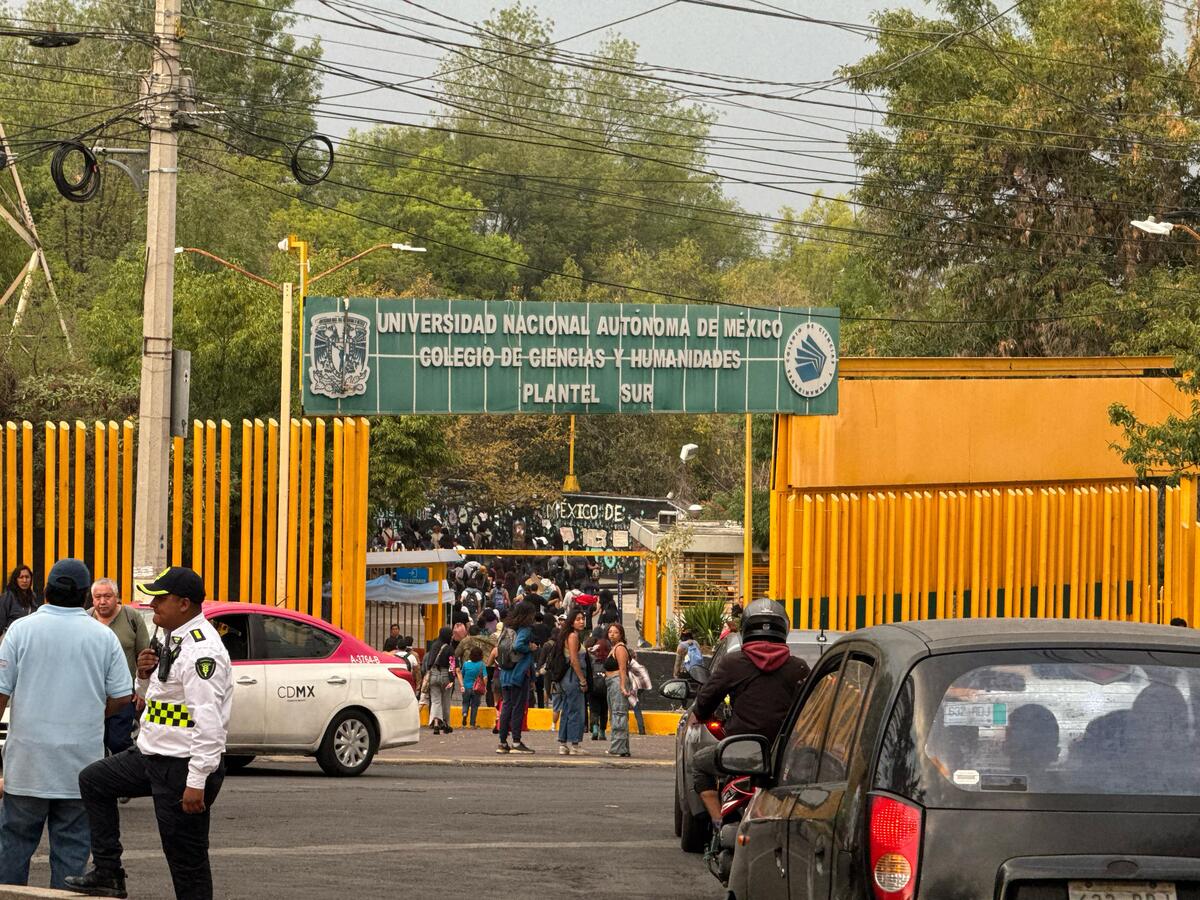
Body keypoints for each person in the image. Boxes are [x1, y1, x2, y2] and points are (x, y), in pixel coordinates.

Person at [68, 566, 232, 900]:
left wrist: (196, 781)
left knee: (186, 862)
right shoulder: (171, 636)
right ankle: (109, 873)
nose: (152, 604)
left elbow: (209, 724)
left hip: (182, 764)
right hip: (152, 754)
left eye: (160, 598)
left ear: (184, 603)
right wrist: (143, 676)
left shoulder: (201, 651)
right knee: (94, 781)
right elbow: (153, 699)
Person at [0, 559, 130, 890]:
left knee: (12, 850)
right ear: (86, 595)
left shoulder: (20, 630)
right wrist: (93, 714)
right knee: (72, 854)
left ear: (45, 590)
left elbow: (0, 694)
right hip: (80, 768)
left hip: (26, 767)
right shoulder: (103, 637)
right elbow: (122, 696)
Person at [690, 600, 810, 829]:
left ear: (745, 629)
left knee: (699, 764)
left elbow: (705, 700)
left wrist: (701, 715)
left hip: (738, 753)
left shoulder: (733, 663)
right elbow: (811, 709)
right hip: (783, 756)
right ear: (783, 630)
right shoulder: (798, 667)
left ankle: (718, 821)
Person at [88, 578, 151, 755]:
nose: (102, 601)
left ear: (117, 597)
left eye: (107, 596)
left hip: (123, 695)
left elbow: (144, 657)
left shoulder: (132, 617)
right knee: (93, 744)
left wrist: (141, 690)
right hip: (93, 694)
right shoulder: (85, 619)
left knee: (119, 743)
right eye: (98, 597)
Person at [496, 600, 537, 754]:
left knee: (506, 706)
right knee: (518, 708)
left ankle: (502, 742)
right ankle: (516, 742)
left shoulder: (507, 627)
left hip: (505, 673)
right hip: (518, 674)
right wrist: (530, 648)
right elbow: (518, 645)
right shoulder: (525, 629)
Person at [552, 606, 589, 755]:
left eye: (583, 619)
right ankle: (575, 744)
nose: (581, 621)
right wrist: (582, 680)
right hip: (573, 677)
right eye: (578, 619)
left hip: (566, 678)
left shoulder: (566, 635)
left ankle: (563, 743)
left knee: (567, 709)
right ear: (572, 622)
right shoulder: (573, 636)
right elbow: (574, 660)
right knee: (576, 710)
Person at [604, 623, 633, 758]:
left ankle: (618, 748)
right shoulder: (614, 648)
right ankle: (622, 748)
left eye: (615, 632)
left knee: (619, 715)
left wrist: (622, 686)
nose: (612, 634)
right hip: (611, 682)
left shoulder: (620, 648)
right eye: (610, 632)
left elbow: (622, 668)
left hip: (617, 682)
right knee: (616, 714)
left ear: (621, 634)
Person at [424, 625, 455, 735]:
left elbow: (429, 662)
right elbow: (452, 665)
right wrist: (452, 679)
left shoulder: (434, 646)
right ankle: (446, 724)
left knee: (435, 701)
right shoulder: (450, 648)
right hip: (446, 676)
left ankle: (436, 724)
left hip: (433, 674)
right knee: (446, 701)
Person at [0, 564, 40, 636]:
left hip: (29, 636)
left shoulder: (33, 596)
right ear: (15, 579)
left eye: (27, 577)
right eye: (21, 577)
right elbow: (1, 620)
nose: (24, 580)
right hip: (12, 636)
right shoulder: (8, 596)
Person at [587, 627, 611, 742]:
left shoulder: (592, 660)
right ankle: (602, 732)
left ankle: (595, 728)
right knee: (604, 710)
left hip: (594, 688)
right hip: (606, 688)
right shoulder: (609, 660)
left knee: (594, 709)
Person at [457, 646, 487, 729]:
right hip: (477, 689)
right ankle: (472, 724)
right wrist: (485, 687)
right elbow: (485, 677)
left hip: (466, 687)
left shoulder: (466, 664)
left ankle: (464, 713)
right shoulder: (482, 665)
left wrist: (462, 685)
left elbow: (462, 675)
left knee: (465, 702)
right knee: (474, 706)